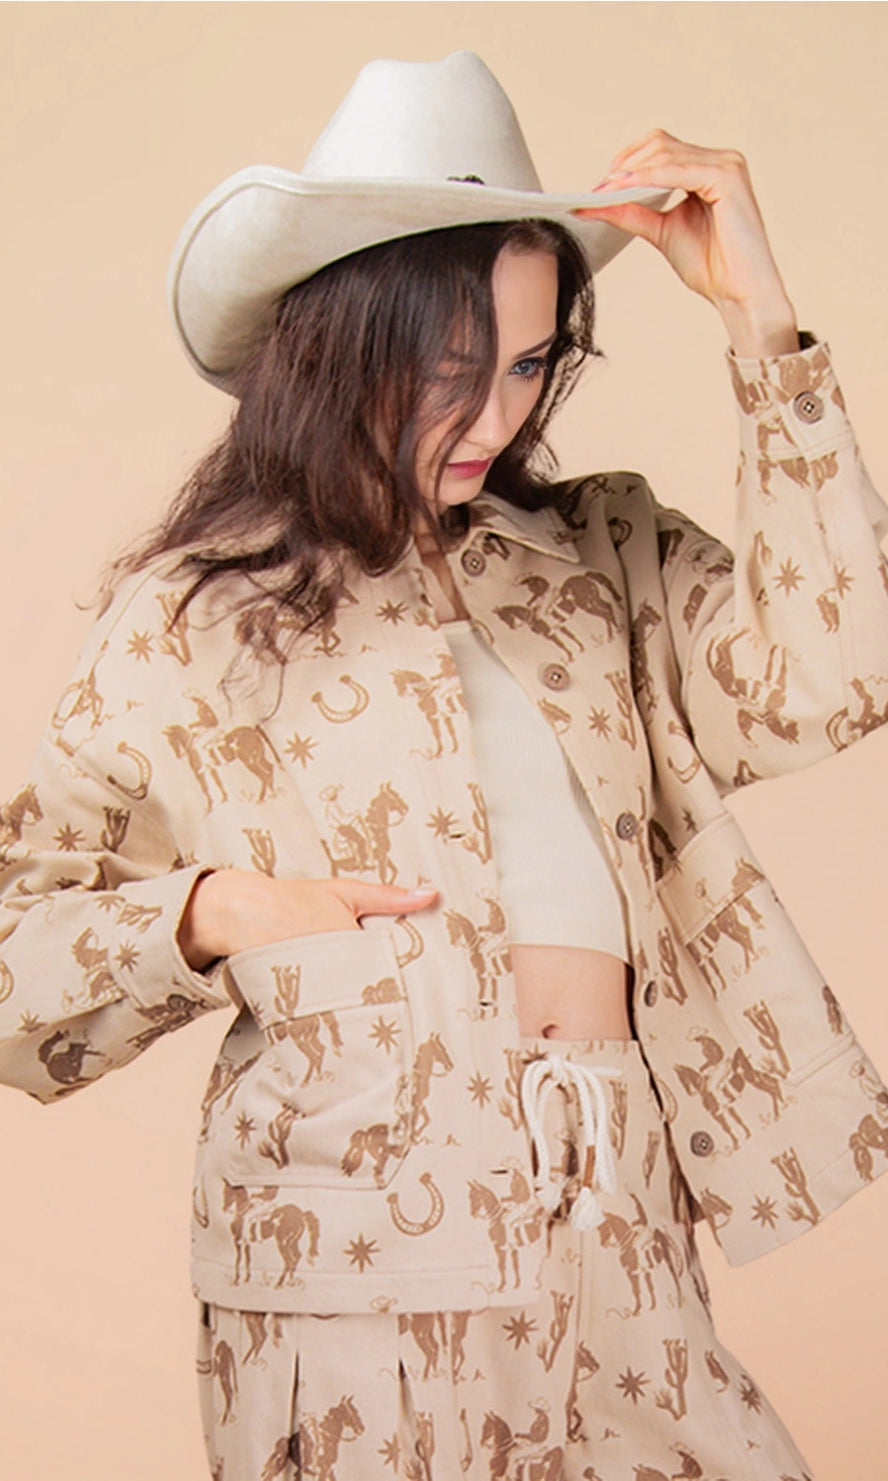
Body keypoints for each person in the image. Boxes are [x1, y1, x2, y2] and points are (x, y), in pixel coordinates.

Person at [1, 49, 887, 1481]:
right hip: (350, 1258)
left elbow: (839, 676)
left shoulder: (602, 556)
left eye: (533, 364)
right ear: (342, 344)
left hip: (618, 1227)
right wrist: (215, 910)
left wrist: (765, 333)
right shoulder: (194, 615)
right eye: (454, 371)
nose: (495, 421)